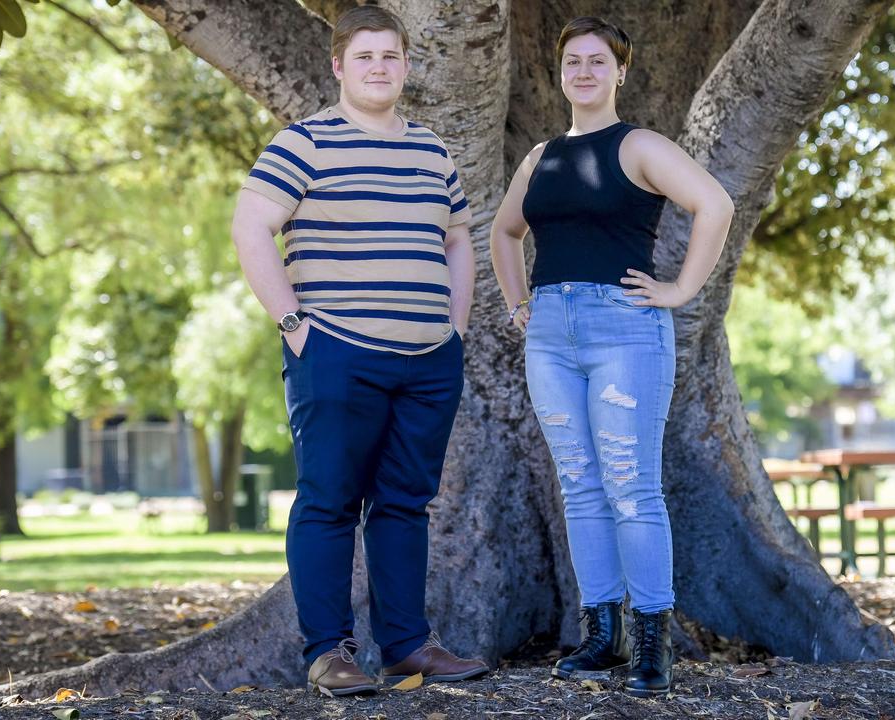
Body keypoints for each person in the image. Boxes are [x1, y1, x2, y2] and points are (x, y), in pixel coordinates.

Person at [231, 4, 489, 697]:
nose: (380, 67)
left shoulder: (432, 149)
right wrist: (293, 322)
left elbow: (459, 238)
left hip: (429, 359)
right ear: (340, 65)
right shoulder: (304, 143)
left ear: (407, 64)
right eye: (365, 56)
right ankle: (328, 653)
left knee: (405, 503)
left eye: (391, 56)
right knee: (329, 501)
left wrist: (455, 327)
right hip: (337, 351)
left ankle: (407, 647)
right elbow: (251, 224)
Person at [488, 16, 734, 698]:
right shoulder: (540, 157)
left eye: (599, 61)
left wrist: (681, 289)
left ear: (621, 72)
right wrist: (517, 305)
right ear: (559, 72)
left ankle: (653, 640)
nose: (585, 71)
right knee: (582, 487)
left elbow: (715, 204)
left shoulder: (640, 146)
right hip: (550, 336)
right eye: (574, 61)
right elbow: (504, 234)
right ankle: (604, 635)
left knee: (631, 485)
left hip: (624, 329)